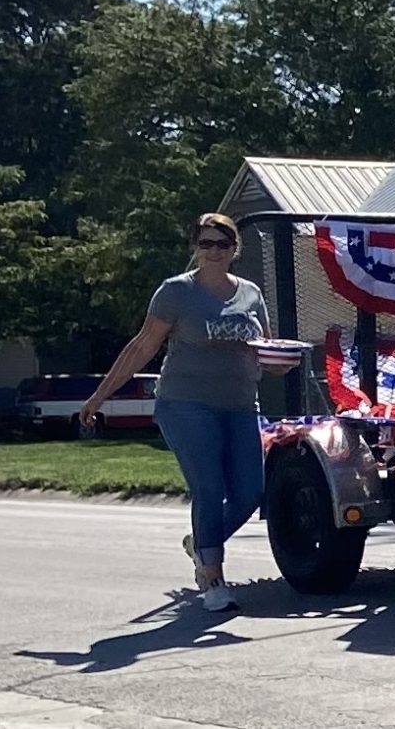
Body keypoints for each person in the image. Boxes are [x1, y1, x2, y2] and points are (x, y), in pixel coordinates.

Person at [79, 213, 284, 612]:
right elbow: (141, 347)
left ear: (234, 250)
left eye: (221, 245)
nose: (212, 252)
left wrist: (280, 362)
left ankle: (201, 542)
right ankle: (213, 579)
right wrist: (98, 397)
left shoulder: (251, 294)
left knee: (249, 493)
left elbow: (266, 350)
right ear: (195, 248)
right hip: (185, 403)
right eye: (205, 244)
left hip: (241, 403)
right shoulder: (176, 293)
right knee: (209, 488)